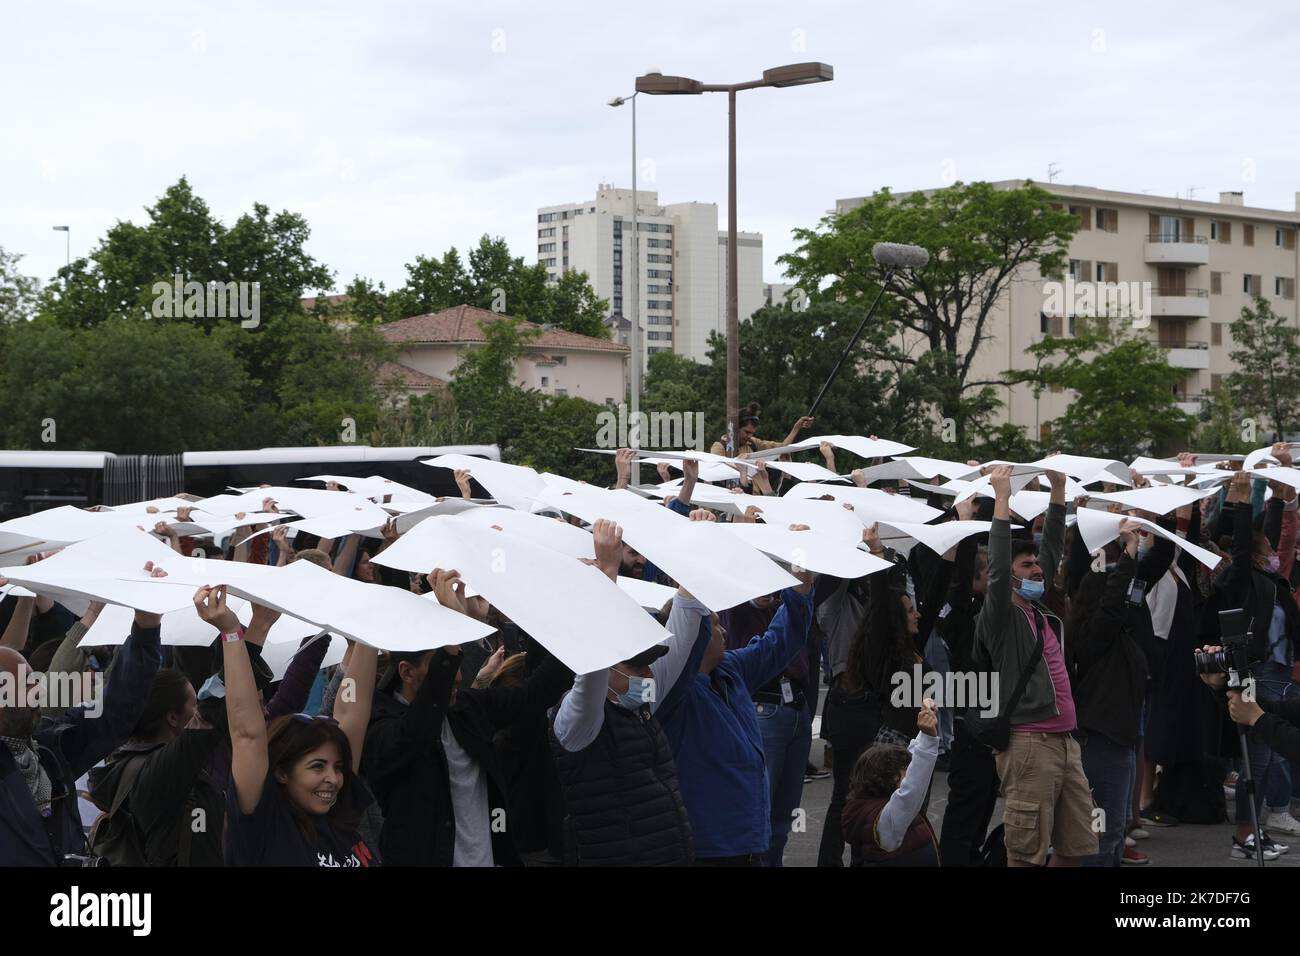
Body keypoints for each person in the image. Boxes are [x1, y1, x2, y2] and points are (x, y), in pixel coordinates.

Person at [361, 568, 571, 867]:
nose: (457, 676)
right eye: (445, 664)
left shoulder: (466, 709)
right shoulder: (381, 726)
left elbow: (533, 695)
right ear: (406, 672)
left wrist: (574, 610)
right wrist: (450, 636)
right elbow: (417, 734)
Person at [651, 512, 816, 866]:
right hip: (707, 846)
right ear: (691, 637)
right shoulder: (673, 690)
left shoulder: (730, 669)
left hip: (748, 840)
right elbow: (686, 614)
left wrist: (800, 573)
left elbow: (779, 641)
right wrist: (697, 542)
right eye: (712, 624)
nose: (723, 629)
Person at [199, 584, 380, 867]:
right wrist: (232, 632)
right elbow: (247, 734)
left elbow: (351, 713)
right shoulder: (262, 827)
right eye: (317, 766)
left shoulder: (339, 818)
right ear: (282, 772)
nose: (333, 778)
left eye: (338, 767)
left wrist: (369, 631)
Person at [550, 520, 697, 866]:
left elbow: (685, 624)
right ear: (610, 668)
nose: (648, 675)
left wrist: (695, 549)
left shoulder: (640, 708)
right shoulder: (577, 723)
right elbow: (594, 654)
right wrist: (607, 573)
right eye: (637, 666)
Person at [973, 463, 1098, 866]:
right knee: (1025, 855)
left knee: (1077, 847)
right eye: (1025, 566)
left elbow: (1053, 550)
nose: (1037, 570)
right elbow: (995, 569)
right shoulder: (1000, 617)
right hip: (1030, 743)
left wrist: (1057, 492)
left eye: (1036, 566)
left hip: (1065, 742)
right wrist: (1003, 499)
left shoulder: (1039, 610)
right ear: (1008, 579)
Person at [0, 565, 164, 866]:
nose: (39, 691)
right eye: (25, 683)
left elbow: (116, 710)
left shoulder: (50, 750)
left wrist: (145, 628)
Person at [843, 699, 941, 866]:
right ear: (894, 778)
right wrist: (929, 742)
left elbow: (912, 767)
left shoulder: (870, 806)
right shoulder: (887, 822)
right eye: (904, 772)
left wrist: (925, 731)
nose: (908, 774)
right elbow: (913, 787)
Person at [708, 403, 814, 458]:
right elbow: (717, 472)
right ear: (736, 429)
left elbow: (782, 448)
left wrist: (796, 428)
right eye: (746, 432)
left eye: (752, 433)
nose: (749, 436)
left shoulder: (753, 443)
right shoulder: (719, 447)